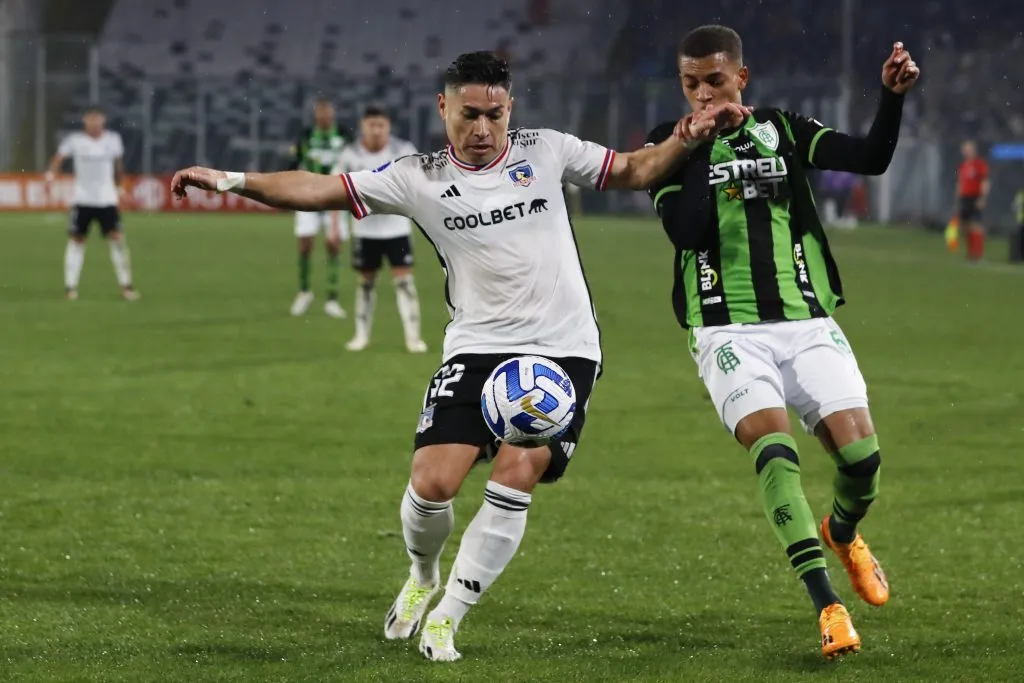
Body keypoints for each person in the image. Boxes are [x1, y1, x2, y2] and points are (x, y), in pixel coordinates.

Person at [170, 51, 744, 663]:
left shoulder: (545, 150)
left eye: (494, 115)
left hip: (562, 350)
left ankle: (449, 616)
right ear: (442, 108)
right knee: (432, 482)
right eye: (469, 114)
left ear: (510, 110)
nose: (482, 129)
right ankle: (423, 577)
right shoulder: (417, 176)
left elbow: (633, 169)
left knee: (516, 472)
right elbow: (318, 189)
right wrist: (232, 180)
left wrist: (686, 136)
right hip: (476, 345)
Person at [645, 26, 919, 659]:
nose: (704, 94)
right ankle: (827, 605)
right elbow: (687, 232)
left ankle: (842, 532)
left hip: (806, 322)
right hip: (726, 330)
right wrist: (699, 146)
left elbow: (871, 156)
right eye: (692, 84)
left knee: (863, 464)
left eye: (716, 81)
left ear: (742, 77)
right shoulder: (668, 142)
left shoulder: (783, 129)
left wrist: (892, 97)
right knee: (775, 452)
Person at [334, 106, 426, 353]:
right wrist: (335, 226)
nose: (376, 131)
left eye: (380, 126)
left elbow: (420, 184)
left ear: (388, 127)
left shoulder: (404, 151)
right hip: (365, 231)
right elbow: (335, 190)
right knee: (365, 283)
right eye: (371, 125)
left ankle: (413, 338)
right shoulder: (350, 154)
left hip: (397, 228)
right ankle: (361, 336)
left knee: (405, 282)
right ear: (363, 126)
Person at [47, 106, 138, 301]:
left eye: (98, 119)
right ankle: (70, 288)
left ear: (103, 121)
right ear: (85, 120)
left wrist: (121, 188)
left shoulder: (112, 140)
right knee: (77, 240)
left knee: (117, 238)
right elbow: (58, 158)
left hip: (107, 199)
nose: (95, 122)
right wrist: (50, 176)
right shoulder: (75, 141)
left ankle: (126, 286)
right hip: (83, 200)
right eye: (91, 119)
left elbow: (118, 166)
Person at [289, 97, 352, 317]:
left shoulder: (344, 135)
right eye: (320, 113)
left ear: (332, 114)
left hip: (335, 196)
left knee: (333, 244)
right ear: (316, 115)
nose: (324, 116)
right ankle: (305, 292)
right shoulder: (306, 135)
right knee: (305, 243)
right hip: (308, 195)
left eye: (327, 112)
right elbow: (296, 163)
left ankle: (332, 299)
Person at [956, 140, 990, 263]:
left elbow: (985, 181)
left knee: (976, 225)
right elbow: (960, 182)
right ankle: (971, 254)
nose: (965, 152)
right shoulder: (963, 165)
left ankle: (979, 255)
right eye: (964, 149)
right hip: (964, 198)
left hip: (975, 197)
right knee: (965, 226)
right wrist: (958, 196)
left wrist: (982, 198)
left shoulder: (979, 164)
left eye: (968, 149)